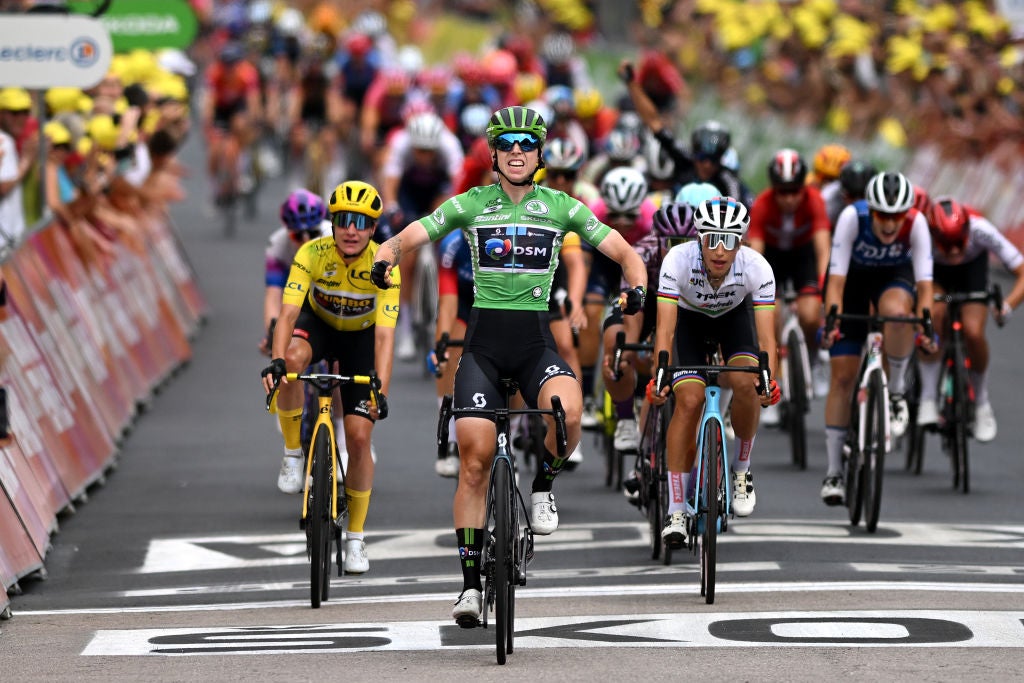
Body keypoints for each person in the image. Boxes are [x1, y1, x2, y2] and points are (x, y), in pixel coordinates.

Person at [368, 105, 647, 627]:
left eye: (527, 144)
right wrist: (385, 256)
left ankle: (542, 486)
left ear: (540, 155)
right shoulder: (472, 203)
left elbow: (625, 252)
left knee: (568, 414)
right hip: (483, 348)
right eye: (506, 144)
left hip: (535, 344)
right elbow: (411, 234)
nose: (517, 151)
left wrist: (636, 287)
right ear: (493, 154)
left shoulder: (561, 206)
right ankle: (470, 586)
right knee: (473, 461)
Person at [260, 180, 398, 575]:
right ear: (332, 223)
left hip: (361, 339)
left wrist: (381, 389)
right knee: (290, 363)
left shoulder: (384, 266)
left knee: (359, 437)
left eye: (362, 222)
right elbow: (287, 314)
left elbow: (385, 337)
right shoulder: (311, 252)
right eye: (344, 221)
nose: (351, 230)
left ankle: (355, 536)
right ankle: (292, 454)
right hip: (318, 325)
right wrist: (276, 362)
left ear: (373, 229)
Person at [650, 197, 780, 546]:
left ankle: (741, 470)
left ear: (741, 243)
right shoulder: (677, 260)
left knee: (748, 382)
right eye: (712, 240)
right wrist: (660, 375)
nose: (720, 251)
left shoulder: (756, 266)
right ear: (699, 238)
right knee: (689, 400)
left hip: (733, 320)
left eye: (729, 241)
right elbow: (665, 330)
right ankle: (676, 509)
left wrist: (768, 380)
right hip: (688, 322)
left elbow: (767, 338)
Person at [819, 172, 937, 505]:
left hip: (894, 279)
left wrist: (926, 327)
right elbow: (836, 282)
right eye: (882, 215)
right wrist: (832, 322)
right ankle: (833, 472)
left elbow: (925, 286)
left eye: (896, 215)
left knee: (899, 314)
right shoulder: (851, 218)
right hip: (852, 283)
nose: (889, 223)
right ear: (870, 211)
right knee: (842, 378)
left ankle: (896, 392)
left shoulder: (916, 223)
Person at [916, 197, 1024, 441]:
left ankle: (982, 402)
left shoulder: (981, 229)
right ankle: (928, 397)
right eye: (947, 244)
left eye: (959, 242)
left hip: (971, 275)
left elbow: (1022, 271)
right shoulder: (921, 234)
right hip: (936, 276)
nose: (954, 251)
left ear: (967, 231)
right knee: (934, 316)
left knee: (973, 332)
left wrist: (1007, 306)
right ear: (934, 235)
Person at [747, 149, 832, 401]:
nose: (789, 198)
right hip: (772, 258)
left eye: (795, 191)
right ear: (773, 189)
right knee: (770, 316)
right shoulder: (762, 204)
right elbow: (756, 256)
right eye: (783, 192)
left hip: (802, 256)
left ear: (803, 187)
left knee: (810, 314)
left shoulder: (815, 200)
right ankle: (775, 376)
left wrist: (824, 285)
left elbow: (823, 249)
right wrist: (758, 292)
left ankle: (815, 361)